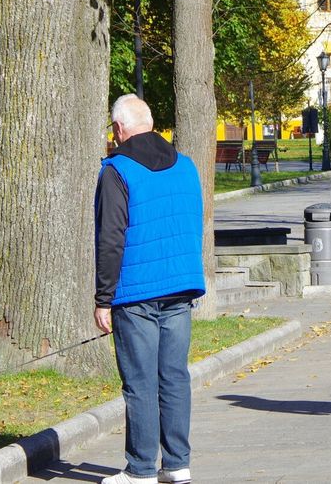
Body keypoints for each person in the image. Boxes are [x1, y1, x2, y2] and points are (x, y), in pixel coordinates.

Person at [95, 94, 205, 484]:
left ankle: (140, 468)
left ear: (118, 128)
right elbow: (192, 220)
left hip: (136, 292)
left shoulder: (116, 170)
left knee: (140, 381)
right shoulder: (186, 166)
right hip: (180, 285)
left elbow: (111, 238)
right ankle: (177, 463)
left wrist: (103, 298)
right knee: (174, 376)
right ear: (151, 124)